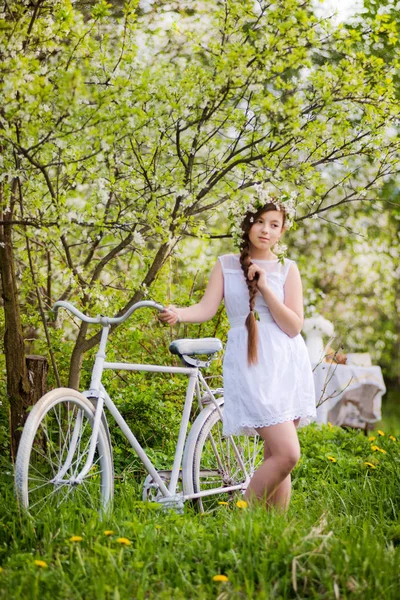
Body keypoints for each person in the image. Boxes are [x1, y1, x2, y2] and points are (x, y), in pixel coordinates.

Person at [158, 199, 317, 512]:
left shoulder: (288, 269)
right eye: (260, 222)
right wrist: (179, 313)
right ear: (247, 224)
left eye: (274, 225)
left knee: (276, 454)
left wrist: (266, 288)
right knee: (288, 454)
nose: (266, 230)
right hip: (250, 361)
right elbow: (205, 309)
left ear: (283, 231)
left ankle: (272, 532)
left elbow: (293, 326)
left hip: (285, 363)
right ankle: (240, 516)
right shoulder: (226, 265)